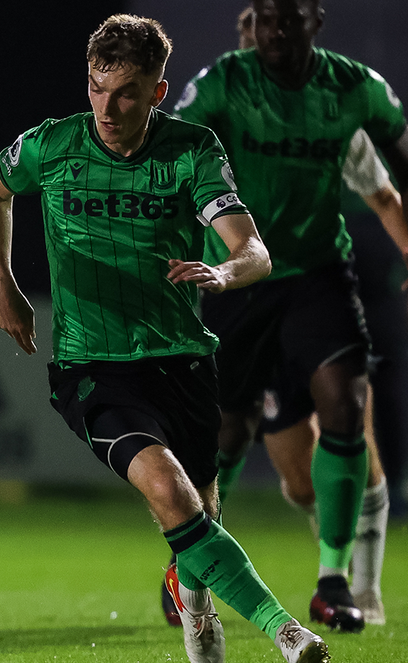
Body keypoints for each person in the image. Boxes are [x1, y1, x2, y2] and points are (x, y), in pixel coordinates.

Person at [0, 14, 328, 663]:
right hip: (93, 365)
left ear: (158, 93)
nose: (108, 107)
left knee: (198, 507)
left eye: (128, 92)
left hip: (182, 358)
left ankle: (192, 596)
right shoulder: (52, 145)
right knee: (168, 491)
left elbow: (253, 250)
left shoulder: (191, 151)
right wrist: (4, 284)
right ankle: (284, 631)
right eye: (97, 88)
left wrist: (224, 272)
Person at [161, 3, 408, 629]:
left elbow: (393, 175)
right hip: (240, 280)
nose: (270, 31)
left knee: (349, 406)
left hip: (321, 275)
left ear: (314, 22)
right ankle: (193, 568)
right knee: (235, 439)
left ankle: (337, 581)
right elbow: (170, 153)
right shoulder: (223, 83)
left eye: (285, 18)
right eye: (262, 19)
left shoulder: (353, 91)